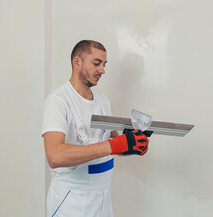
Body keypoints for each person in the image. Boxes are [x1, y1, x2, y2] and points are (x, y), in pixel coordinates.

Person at [42, 40, 150, 217]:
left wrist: (132, 144)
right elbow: (54, 156)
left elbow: (115, 143)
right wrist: (113, 145)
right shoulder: (58, 101)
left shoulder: (102, 100)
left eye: (104, 64)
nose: (102, 70)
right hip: (71, 201)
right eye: (96, 63)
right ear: (77, 62)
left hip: (102, 201)